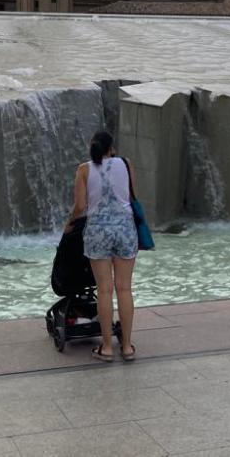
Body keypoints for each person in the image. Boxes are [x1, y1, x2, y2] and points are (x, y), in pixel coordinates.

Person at [63, 131, 138, 362]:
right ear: (111, 148)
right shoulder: (126, 164)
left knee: (104, 290)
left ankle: (106, 348)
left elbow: (80, 206)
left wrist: (69, 223)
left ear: (92, 148)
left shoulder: (84, 170)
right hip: (125, 229)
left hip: (98, 231)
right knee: (124, 288)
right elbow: (132, 197)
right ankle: (126, 347)